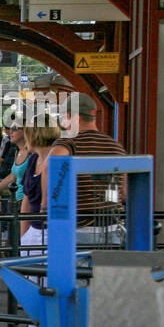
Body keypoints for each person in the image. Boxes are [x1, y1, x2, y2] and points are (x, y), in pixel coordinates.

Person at [49, 92, 126, 245]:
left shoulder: (69, 144)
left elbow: (51, 168)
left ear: (71, 116)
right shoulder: (115, 147)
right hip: (112, 227)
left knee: (75, 269)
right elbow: (123, 192)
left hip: (79, 228)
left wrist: (46, 208)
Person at [18, 119, 61, 327]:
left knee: (50, 295)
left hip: (52, 235)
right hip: (33, 234)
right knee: (33, 299)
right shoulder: (34, 161)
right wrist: (22, 237)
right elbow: (26, 198)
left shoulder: (57, 162)